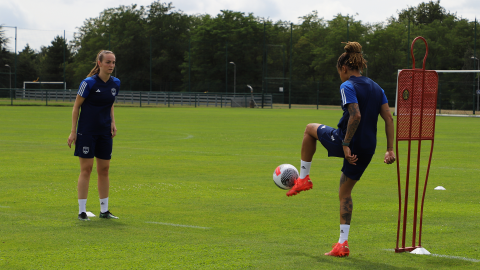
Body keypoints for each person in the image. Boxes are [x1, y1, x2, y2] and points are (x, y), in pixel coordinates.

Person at [286, 42, 396, 257]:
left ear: (344, 68)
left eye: (339, 72)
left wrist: (345, 144)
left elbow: (355, 116)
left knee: (309, 129)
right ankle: (342, 244)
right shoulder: (376, 87)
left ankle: (304, 179)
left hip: (346, 140)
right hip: (368, 147)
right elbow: (389, 118)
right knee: (345, 192)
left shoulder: (347, 86)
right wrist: (390, 149)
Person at [67, 50, 120, 221]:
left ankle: (104, 211)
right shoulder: (88, 83)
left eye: (113, 62)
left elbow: (110, 104)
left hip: (105, 132)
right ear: (99, 63)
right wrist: (73, 131)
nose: (111, 65)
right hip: (87, 132)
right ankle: (82, 211)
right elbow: (76, 107)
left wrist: (112, 122)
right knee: (86, 169)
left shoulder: (115, 83)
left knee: (104, 170)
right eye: (108, 62)